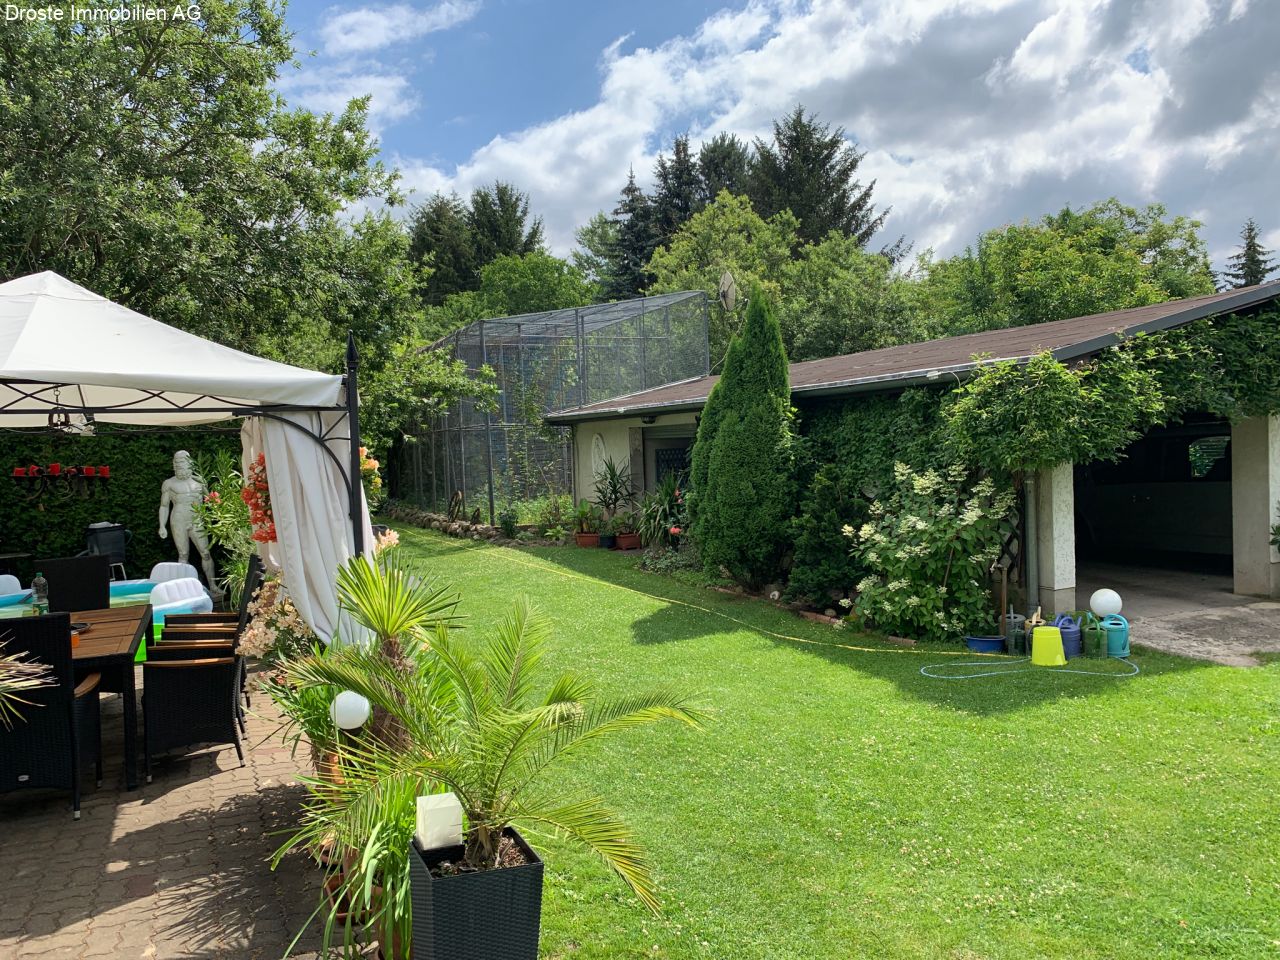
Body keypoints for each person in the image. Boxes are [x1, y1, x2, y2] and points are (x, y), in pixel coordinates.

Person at [158, 450, 221, 597]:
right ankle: (184, 592)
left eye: (182, 462)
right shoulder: (169, 483)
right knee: (183, 554)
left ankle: (213, 586)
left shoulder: (199, 481)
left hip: (197, 520)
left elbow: (210, 500)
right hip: (178, 520)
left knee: (205, 553)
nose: (179, 465)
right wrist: (162, 525)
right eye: (176, 462)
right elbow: (164, 506)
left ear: (189, 463)